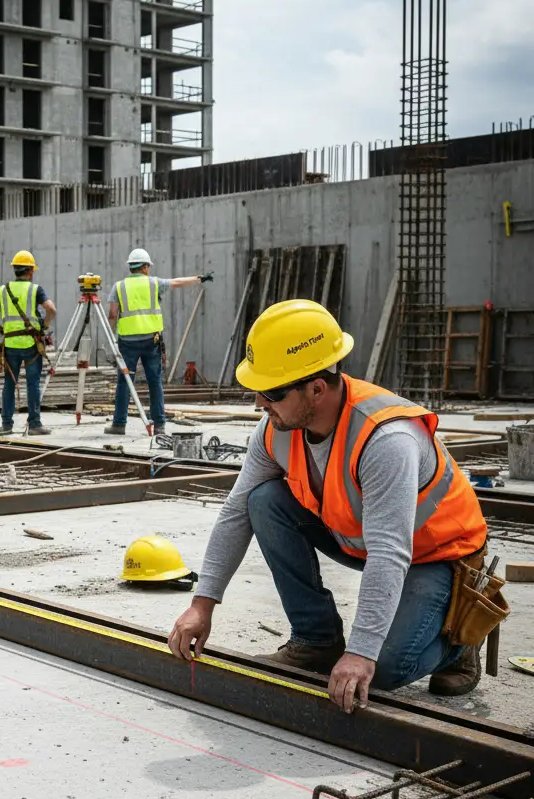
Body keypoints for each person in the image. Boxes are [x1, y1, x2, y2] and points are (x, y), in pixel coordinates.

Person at [167, 299, 489, 712]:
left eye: (271, 392)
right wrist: (202, 603)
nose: (259, 404)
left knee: (382, 669)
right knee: (262, 501)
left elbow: (391, 552)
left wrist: (361, 651)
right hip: (359, 539)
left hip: (437, 554)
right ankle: (316, 640)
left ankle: (459, 643)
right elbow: (235, 510)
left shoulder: (386, 439)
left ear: (317, 388)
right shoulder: (277, 428)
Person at [104, 247, 211, 436]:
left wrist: (112, 338)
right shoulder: (154, 284)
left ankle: (119, 425)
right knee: (155, 383)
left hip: (127, 343)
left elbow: (112, 315)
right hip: (151, 342)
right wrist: (198, 278)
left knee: (124, 382)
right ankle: (160, 426)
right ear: (145, 267)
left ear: (131, 267)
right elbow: (177, 282)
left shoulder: (118, 287)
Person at [0, 250, 57, 436]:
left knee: (9, 383)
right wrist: (43, 327)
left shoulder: (3, 290)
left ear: (15, 270)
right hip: (31, 345)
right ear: (30, 271)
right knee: (33, 384)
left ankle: (6, 425)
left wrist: (0, 329)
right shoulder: (35, 289)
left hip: (11, 345)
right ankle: (34, 425)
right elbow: (51, 309)